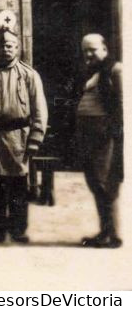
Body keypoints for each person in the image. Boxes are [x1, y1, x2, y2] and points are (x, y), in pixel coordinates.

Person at [0, 27, 47, 244]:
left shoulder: (29, 75)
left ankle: (17, 230)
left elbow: (39, 110)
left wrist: (35, 139)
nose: (6, 49)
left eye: (10, 45)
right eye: (2, 45)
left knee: (16, 187)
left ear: (17, 48)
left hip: (17, 138)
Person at [76, 33, 122, 248]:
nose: (88, 54)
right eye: (85, 49)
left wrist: (111, 133)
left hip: (104, 137)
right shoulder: (90, 72)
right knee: (94, 181)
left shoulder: (116, 70)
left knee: (105, 183)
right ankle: (105, 231)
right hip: (88, 135)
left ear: (104, 48)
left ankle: (111, 234)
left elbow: (123, 105)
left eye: (92, 49)